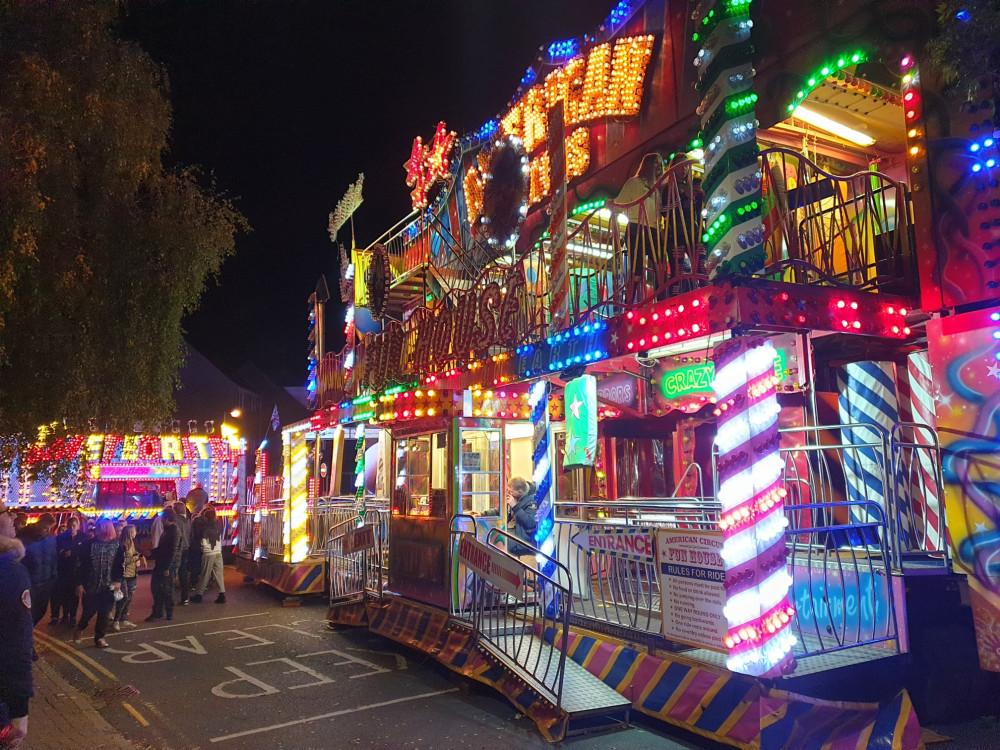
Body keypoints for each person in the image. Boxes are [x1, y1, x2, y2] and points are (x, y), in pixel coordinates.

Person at [614, 153, 664, 303]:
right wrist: (611, 203)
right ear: (648, 165)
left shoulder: (656, 188)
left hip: (653, 228)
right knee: (637, 271)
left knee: (660, 267)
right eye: (656, 163)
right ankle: (628, 303)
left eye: (660, 164)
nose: (659, 167)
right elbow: (619, 204)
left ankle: (662, 299)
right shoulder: (634, 183)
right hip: (637, 227)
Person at [0, 527, 33, 749]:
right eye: (7, 513)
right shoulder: (11, 572)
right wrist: (21, 709)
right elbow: (17, 639)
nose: (14, 519)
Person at [72, 519, 120, 648]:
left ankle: (100, 637)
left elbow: (119, 565)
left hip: (108, 585)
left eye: (99, 527)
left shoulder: (116, 545)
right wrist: (79, 583)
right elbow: (80, 565)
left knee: (104, 613)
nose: (96, 530)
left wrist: (118, 581)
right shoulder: (88, 544)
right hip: (91, 584)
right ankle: (80, 628)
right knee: (88, 611)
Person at [18, 513, 58, 626]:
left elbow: (54, 558)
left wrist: (54, 575)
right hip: (31, 583)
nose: (47, 531)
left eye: (50, 528)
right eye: (45, 527)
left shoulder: (51, 539)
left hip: (46, 582)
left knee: (41, 611)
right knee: (28, 612)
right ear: (38, 524)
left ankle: (30, 630)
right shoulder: (24, 538)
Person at [148, 507, 179, 622]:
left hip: (166, 566)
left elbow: (172, 551)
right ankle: (158, 612)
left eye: (162, 518)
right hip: (161, 564)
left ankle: (166, 612)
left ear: (167, 518)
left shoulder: (173, 532)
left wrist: (167, 567)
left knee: (166, 589)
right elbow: (163, 549)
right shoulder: (168, 530)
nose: (160, 520)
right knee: (157, 589)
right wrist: (151, 553)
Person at [190, 506, 225, 604]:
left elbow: (197, 534)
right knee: (219, 574)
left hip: (209, 552)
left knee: (205, 574)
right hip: (218, 551)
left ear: (205, 518)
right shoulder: (218, 526)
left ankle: (199, 595)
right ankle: (221, 594)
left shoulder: (204, 528)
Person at [54, 515, 85, 627]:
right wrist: (63, 553)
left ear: (78, 526)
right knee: (65, 594)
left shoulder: (83, 537)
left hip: (77, 570)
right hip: (64, 570)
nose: (72, 528)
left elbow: (85, 553)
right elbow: (57, 552)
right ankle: (65, 615)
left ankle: (72, 616)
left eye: (74, 525)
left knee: (75, 595)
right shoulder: (62, 538)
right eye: (70, 526)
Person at [111, 525, 143, 631]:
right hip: (124, 575)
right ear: (130, 533)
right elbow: (124, 561)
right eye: (134, 531)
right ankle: (116, 620)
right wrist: (138, 557)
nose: (135, 533)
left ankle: (123, 619)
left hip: (132, 574)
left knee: (129, 598)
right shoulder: (123, 546)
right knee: (123, 597)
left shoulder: (132, 544)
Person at [504, 477, 538, 558]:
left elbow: (530, 522)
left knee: (497, 545)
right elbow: (502, 511)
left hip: (521, 538)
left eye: (511, 491)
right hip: (509, 531)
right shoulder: (516, 497)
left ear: (520, 492)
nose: (509, 493)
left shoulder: (532, 501)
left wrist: (515, 506)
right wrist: (483, 514)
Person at [172, 501, 192, 605]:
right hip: (186, 547)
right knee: (183, 572)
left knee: (175, 571)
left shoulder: (177, 521)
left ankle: (178, 597)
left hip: (179, 548)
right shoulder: (188, 520)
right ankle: (185, 597)